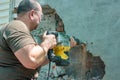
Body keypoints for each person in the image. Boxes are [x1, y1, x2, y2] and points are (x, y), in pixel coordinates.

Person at [0, 0, 57, 80]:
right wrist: (46, 43)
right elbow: (31, 60)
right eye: (41, 16)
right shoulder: (17, 26)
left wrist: (54, 52)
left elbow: (37, 60)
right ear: (32, 14)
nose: (40, 20)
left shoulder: (22, 31)